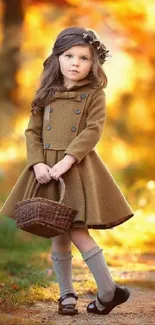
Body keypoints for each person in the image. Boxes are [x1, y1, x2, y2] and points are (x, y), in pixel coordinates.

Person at [0, 26, 134, 316]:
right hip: (45, 168)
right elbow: (31, 131)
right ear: (57, 58)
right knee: (56, 231)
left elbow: (93, 130)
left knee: (76, 229)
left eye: (84, 58)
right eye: (69, 55)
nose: (75, 62)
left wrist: (68, 159)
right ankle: (67, 296)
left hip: (75, 168)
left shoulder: (94, 94)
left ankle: (108, 290)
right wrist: (37, 162)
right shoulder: (45, 93)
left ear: (93, 63)